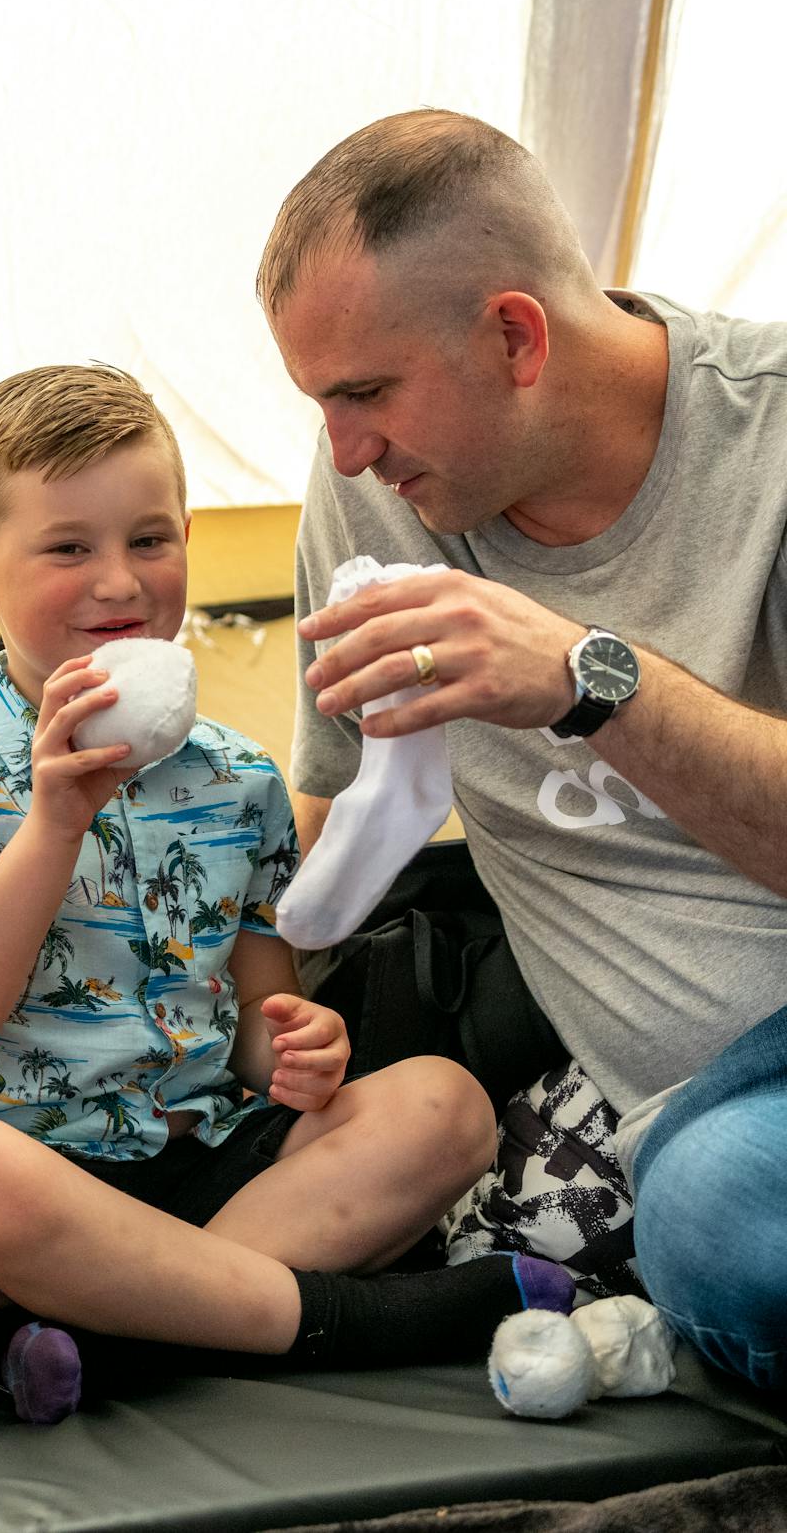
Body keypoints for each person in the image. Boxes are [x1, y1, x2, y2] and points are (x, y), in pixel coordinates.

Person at [0, 363, 571, 1424]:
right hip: (26, 1195)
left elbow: (254, 1020)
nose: (120, 582)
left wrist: (294, 1044)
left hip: (204, 1168)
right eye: (67, 547)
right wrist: (53, 826)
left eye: (150, 539)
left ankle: (114, 1335)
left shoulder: (237, 778)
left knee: (444, 1106)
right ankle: (350, 1318)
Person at [259, 108, 787, 1391]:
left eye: (366, 392)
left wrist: (582, 677)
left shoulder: (768, 444)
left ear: (515, 334)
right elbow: (330, 834)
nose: (345, 448)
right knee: (719, 1225)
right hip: (730, 1126)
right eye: (321, 402)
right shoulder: (372, 497)